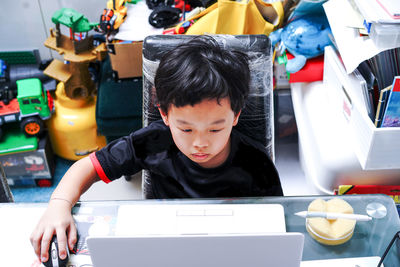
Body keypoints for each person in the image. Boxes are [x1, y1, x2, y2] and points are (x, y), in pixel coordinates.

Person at [30, 35, 283, 263]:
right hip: (163, 246)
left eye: (215, 129)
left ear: (236, 115)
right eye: (185, 129)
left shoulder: (256, 163)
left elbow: (277, 223)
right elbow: (87, 167)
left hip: (229, 251)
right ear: (164, 114)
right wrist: (58, 205)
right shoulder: (153, 142)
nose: (200, 143)